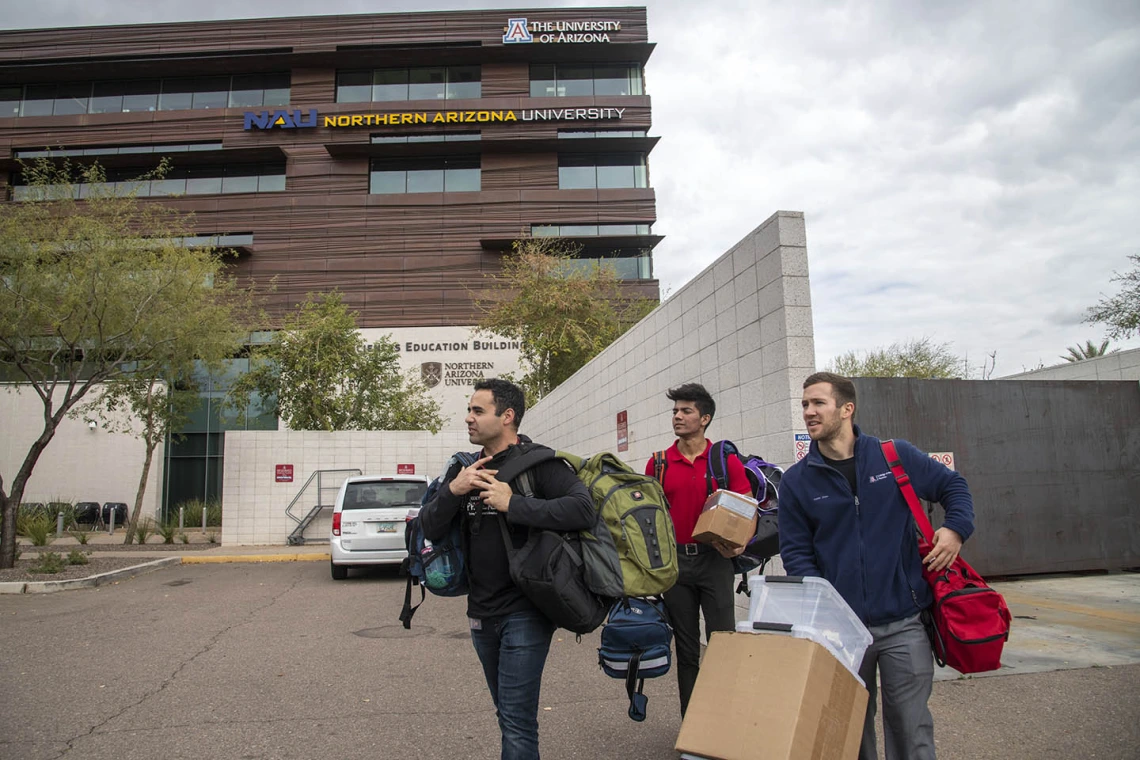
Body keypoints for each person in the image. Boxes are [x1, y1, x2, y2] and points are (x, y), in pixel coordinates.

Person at [778, 372, 975, 760]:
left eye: (818, 403)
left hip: (904, 622)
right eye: (804, 404)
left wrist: (954, 531)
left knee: (911, 726)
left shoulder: (893, 455)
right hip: (841, 633)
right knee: (848, 732)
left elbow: (954, 486)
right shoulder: (798, 482)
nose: (808, 412)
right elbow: (797, 555)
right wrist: (828, 614)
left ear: (846, 409)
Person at [418, 378, 594, 760]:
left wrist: (513, 504)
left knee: (516, 720)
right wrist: (454, 490)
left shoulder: (541, 463)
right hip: (480, 613)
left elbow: (583, 509)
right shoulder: (465, 469)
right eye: (469, 409)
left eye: (477, 411)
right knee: (508, 714)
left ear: (507, 416)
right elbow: (427, 528)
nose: (468, 418)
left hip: (525, 610)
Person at [644, 382, 752, 717]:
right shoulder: (658, 464)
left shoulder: (725, 461)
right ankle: (694, 727)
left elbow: (746, 507)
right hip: (676, 565)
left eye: (685, 410)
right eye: (675, 410)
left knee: (723, 644)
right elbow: (648, 519)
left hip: (715, 561)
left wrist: (739, 544)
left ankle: (723, 725)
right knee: (687, 651)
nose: (677, 416)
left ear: (704, 418)